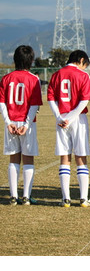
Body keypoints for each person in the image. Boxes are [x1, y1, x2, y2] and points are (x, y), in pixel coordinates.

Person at [47, 50, 90, 208]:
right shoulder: (82, 75)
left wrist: (59, 117)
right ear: (81, 60)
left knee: (64, 157)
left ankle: (66, 198)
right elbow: (84, 100)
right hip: (78, 118)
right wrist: (72, 117)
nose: (84, 68)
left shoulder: (57, 74)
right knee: (81, 157)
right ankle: (83, 198)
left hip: (61, 118)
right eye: (84, 65)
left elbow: (51, 98)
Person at [0, 45, 42, 205]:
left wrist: (8, 122)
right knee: (28, 158)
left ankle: (13, 196)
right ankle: (26, 196)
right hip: (27, 124)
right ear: (31, 60)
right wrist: (26, 124)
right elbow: (34, 105)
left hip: (11, 122)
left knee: (13, 159)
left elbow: (2, 103)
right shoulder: (34, 79)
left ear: (14, 60)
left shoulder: (6, 78)